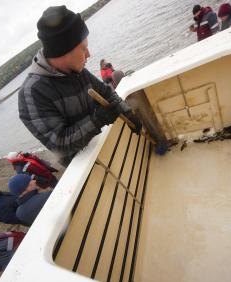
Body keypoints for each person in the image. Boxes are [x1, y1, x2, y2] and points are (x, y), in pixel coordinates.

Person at [18, 6, 142, 167]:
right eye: (83, 48)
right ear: (64, 51)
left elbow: (107, 94)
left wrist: (128, 113)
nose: (89, 54)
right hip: (83, 166)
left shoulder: (78, 71)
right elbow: (60, 144)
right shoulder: (32, 93)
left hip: (102, 145)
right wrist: (97, 120)